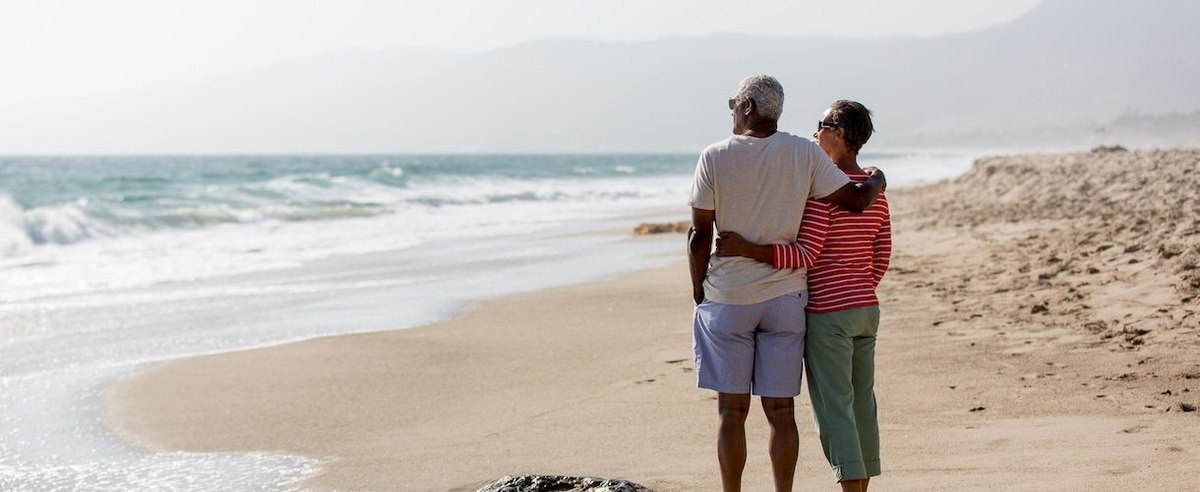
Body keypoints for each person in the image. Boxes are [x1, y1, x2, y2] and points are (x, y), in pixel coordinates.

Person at [688, 78, 885, 492]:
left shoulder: (714, 155)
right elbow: (858, 206)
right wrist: (876, 181)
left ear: (746, 105)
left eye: (733, 103)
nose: (731, 110)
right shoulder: (804, 153)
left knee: (731, 412)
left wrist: (698, 290)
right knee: (783, 412)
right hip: (788, 299)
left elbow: (699, 234)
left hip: (732, 296)